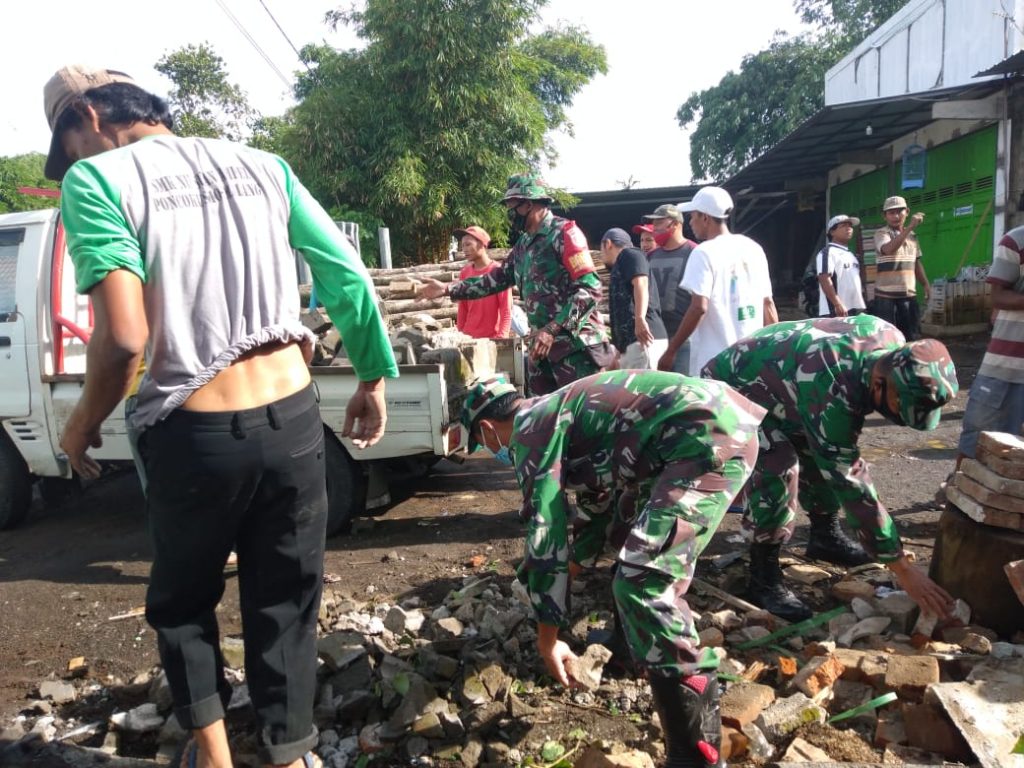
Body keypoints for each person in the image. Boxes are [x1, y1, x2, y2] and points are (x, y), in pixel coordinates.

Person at [45, 65, 398, 768]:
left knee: (183, 603)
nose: (72, 168)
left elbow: (123, 338)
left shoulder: (99, 182)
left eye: (69, 149)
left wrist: (81, 425)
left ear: (87, 113)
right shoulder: (263, 164)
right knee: (286, 603)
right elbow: (347, 274)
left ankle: (214, 756)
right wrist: (373, 375)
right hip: (294, 420)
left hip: (195, 432)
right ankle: (291, 755)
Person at [461, 371, 767, 768]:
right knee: (627, 530)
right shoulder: (553, 413)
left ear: (486, 427)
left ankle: (694, 752)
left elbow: (545, 534)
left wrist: (548, 639)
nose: (490, 450)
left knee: (642, 582)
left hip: (707, 438)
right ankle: (633, 647)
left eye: (482, 442)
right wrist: (573, 566)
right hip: (699, 429)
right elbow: (597, 506)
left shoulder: (530, 433)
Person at [704, 315, 958, 621]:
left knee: (819, 451)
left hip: (790, 385)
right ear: (878, 382)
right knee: (779, 469)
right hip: (735, 389)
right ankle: (762, 576)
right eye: (899, 406)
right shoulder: (835, 384)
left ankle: (824, 537)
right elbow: (849, 478)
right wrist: (901, 567)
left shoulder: (891, 340)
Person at [419, 173, 612, 395]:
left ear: (529, 204)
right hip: (543, 353)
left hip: (576, 349)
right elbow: (496, 278)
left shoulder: (564, 234)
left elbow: (590, 290)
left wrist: (553, 329)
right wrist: (447, 289)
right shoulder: (524, 245)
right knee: (542, 420)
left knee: (582, 421)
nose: (510, 215)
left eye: (513, 207)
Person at [659, 187, 778, 376]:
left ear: (705, 217)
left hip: (715, 364)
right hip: (751, 360)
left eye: (693, 216)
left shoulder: (704, 252)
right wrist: (774, 350)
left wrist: (671, 350)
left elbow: (699, 307)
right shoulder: (753, 248)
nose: (690, 222)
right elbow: (767, 303)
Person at [956, 224, 1024, 464]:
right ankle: (957, 491)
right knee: (978, 438)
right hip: (1006, 365)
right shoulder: (1017, 240)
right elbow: (997, 295)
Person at [599, 228, 668, 369]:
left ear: (607, 244)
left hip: (644, 339)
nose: (601, 255)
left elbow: (641, 283)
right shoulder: (619, 266)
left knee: (643, 390)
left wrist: (640, 319)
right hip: (633, 344)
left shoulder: (630, 254)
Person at [642, 204, 696, 373]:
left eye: (659, 223)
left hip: (685, 339)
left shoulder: (694, 253)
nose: (655, 228)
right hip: (656, 338)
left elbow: (700, 302)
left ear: (674, 224)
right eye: (654, 223)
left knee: (684, 392)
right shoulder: (650, 256)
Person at [873, 195, 930, 340]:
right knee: (888, 340)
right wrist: (910, 226)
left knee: (910, 338)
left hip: (908, 296)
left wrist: (926, 285)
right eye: (891, 212)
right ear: (884, 216)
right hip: (885, 297)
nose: (896, 216)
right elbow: (888, 249)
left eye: (900, 211)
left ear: (907, 212)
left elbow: (916, 262)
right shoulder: (882, 233)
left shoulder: (912, 236)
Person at [453, 225, 512, 339]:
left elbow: (506, 309)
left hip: (491, 339)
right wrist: (460, 335)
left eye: (468, 244)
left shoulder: (498, 272)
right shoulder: (465, 273)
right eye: (462, 245)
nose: (464, 249)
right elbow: (463, 308)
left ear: (481, 244)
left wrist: (501, 337)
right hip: (468, 338)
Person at [817, 215, 867, 317]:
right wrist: (837, 304)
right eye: (843, 225)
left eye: (850, 225)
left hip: (853, 309)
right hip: (836, 311)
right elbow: (824, 278)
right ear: (832, 232)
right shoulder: (827, 253)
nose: (848, 228)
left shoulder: (850, 255)